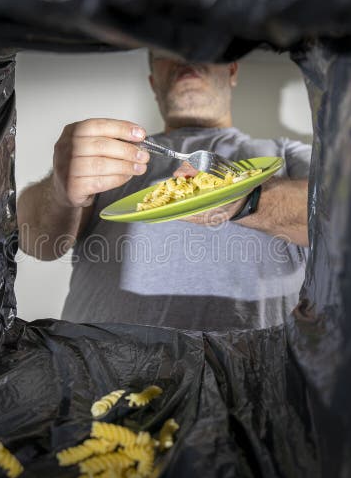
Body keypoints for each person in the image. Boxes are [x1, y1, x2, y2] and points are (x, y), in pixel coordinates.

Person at [17, 51, 311, 330]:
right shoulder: (114, 159)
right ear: (153, 83)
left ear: (232, 69)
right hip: (102, 374)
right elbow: (33, 239)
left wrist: (246, 198)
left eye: (201, 44)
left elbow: (341, 219)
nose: (185, 55)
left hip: (252, 374)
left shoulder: (287, 154)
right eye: (165, 50)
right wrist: (60, 189)